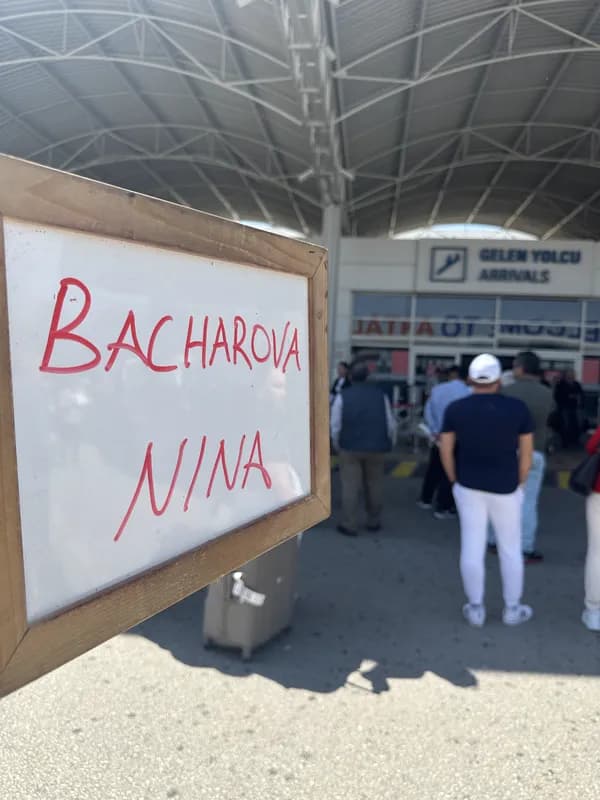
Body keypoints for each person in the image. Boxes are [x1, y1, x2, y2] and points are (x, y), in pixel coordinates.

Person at [439, 353, 534, 627]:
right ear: (498, 379)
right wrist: (519, 481)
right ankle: (512, 608)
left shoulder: (456, 409)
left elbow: (446, 449)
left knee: (472, 546)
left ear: (470, 378)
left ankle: (476, 608)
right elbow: (526, 455)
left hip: (468, 485)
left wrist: (455, 479)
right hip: (506, 486)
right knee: (510, 548)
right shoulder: (518, 409)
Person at [490, 351, 553, 563]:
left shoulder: (506, 391)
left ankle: (493, 541)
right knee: (527, 502)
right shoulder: (547, 393)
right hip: (534, 451)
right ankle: (525, 548)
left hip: (505, 451)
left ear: (520, 368)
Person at [330, 361, 397, 536]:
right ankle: (373, 521)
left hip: (350, 447)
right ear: (367, 377)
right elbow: (390, 424)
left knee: (350, 486)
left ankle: (350, 523)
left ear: (351, 377)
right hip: (377, 447)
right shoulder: (380, 396)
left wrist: (338, 444)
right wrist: (389, 441)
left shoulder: (343, 396)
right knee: (375, 484)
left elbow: (335, 425)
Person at [419, 365, 470, 519]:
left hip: (439, 436)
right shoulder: (468, 393)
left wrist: (435, 430)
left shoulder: (437, 390)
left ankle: (425, 499)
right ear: (465, 377)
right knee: (451, 472)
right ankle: (443, 506)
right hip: (457, 438)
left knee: (434, 468)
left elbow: (428, 412)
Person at [554, 369, 584, 448]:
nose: (572, 375)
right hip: (564, 408)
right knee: (565, 424)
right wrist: (569, 396)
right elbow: (558, 396)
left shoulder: (577, 384)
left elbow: (581, 394)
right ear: (566, 375)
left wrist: (578, 399)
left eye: (573, 374)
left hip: (575, 408)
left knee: (578, 424)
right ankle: (565, 442)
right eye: (570, 374)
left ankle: (575, 441)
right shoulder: (561, 384)